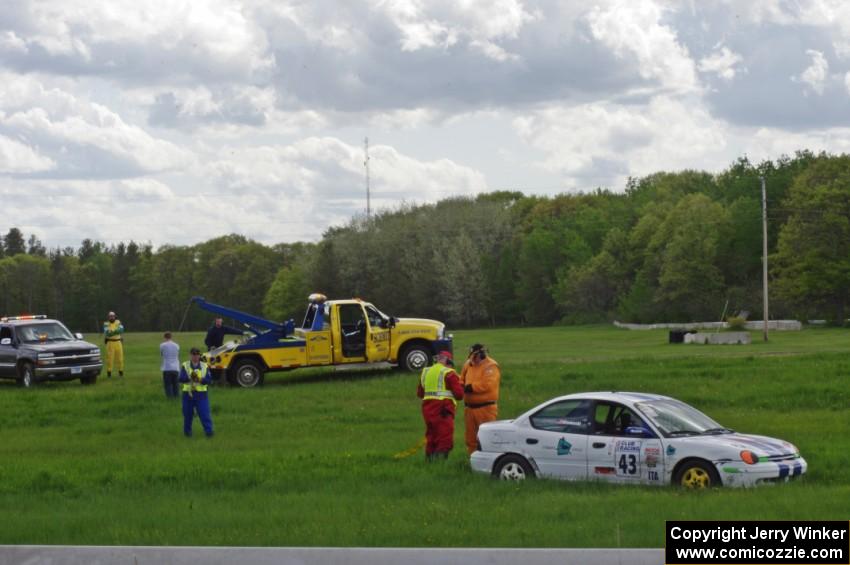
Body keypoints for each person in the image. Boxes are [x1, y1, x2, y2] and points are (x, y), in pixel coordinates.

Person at [416, 350, 463, 461]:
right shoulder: (449, 373)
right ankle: (440, 462)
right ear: (448, 361)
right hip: (443, 409)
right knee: (444, 436)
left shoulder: (426, 372)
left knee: (431, 435)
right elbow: (459, 395)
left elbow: (420, 394)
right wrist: (461, 386)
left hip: (427, 409)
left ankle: (429, 461)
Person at [460, 343, 501, 455]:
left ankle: (489, 462)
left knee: (487, 438)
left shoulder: (491, 366)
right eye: (471, 357)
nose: (472, 359)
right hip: (469, 409)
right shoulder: (468, 364)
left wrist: (470, 388)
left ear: (482, 354)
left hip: (486, 409)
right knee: (470, 439)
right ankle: (472, 460)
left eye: (474, 356)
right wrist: (460, 385)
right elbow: (461, 378)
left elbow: (488, 385)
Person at [178, 347, 214, 438]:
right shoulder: (185, 365)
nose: (195, 356)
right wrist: (190, 378)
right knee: (187, 415)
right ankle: (187, 434)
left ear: (199, 355)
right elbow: (181, 378)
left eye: (197, 354)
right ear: (190, 355)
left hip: (201, 395)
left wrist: (201, 379)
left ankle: (209, 433)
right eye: (193, 354)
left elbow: (209, 380)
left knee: (204, 414)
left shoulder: (204, 365)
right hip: (188, 394)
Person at [102, 311, 124, 378]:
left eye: (113, 316)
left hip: (118, 342)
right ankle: (109, 373)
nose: (112, 317)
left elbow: (121, 330)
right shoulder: (106, 324)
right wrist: (115, 331)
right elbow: (107, 333)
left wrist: (112, 331)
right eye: (110, 316)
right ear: (108, 317)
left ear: (115, 316)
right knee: (110, 359)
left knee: (120, 358)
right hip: (110, 343)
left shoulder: (118, 322)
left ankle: (120, 373)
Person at [160, 332, 180, 398]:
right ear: (171, 337)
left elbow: (162, 354)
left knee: (168, 385)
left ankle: (170, 398)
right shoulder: (177, 345)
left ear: (165, 337)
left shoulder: (162, 345)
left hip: (167, 368)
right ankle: (176, 397)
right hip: (176, 368)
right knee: (176, 385)